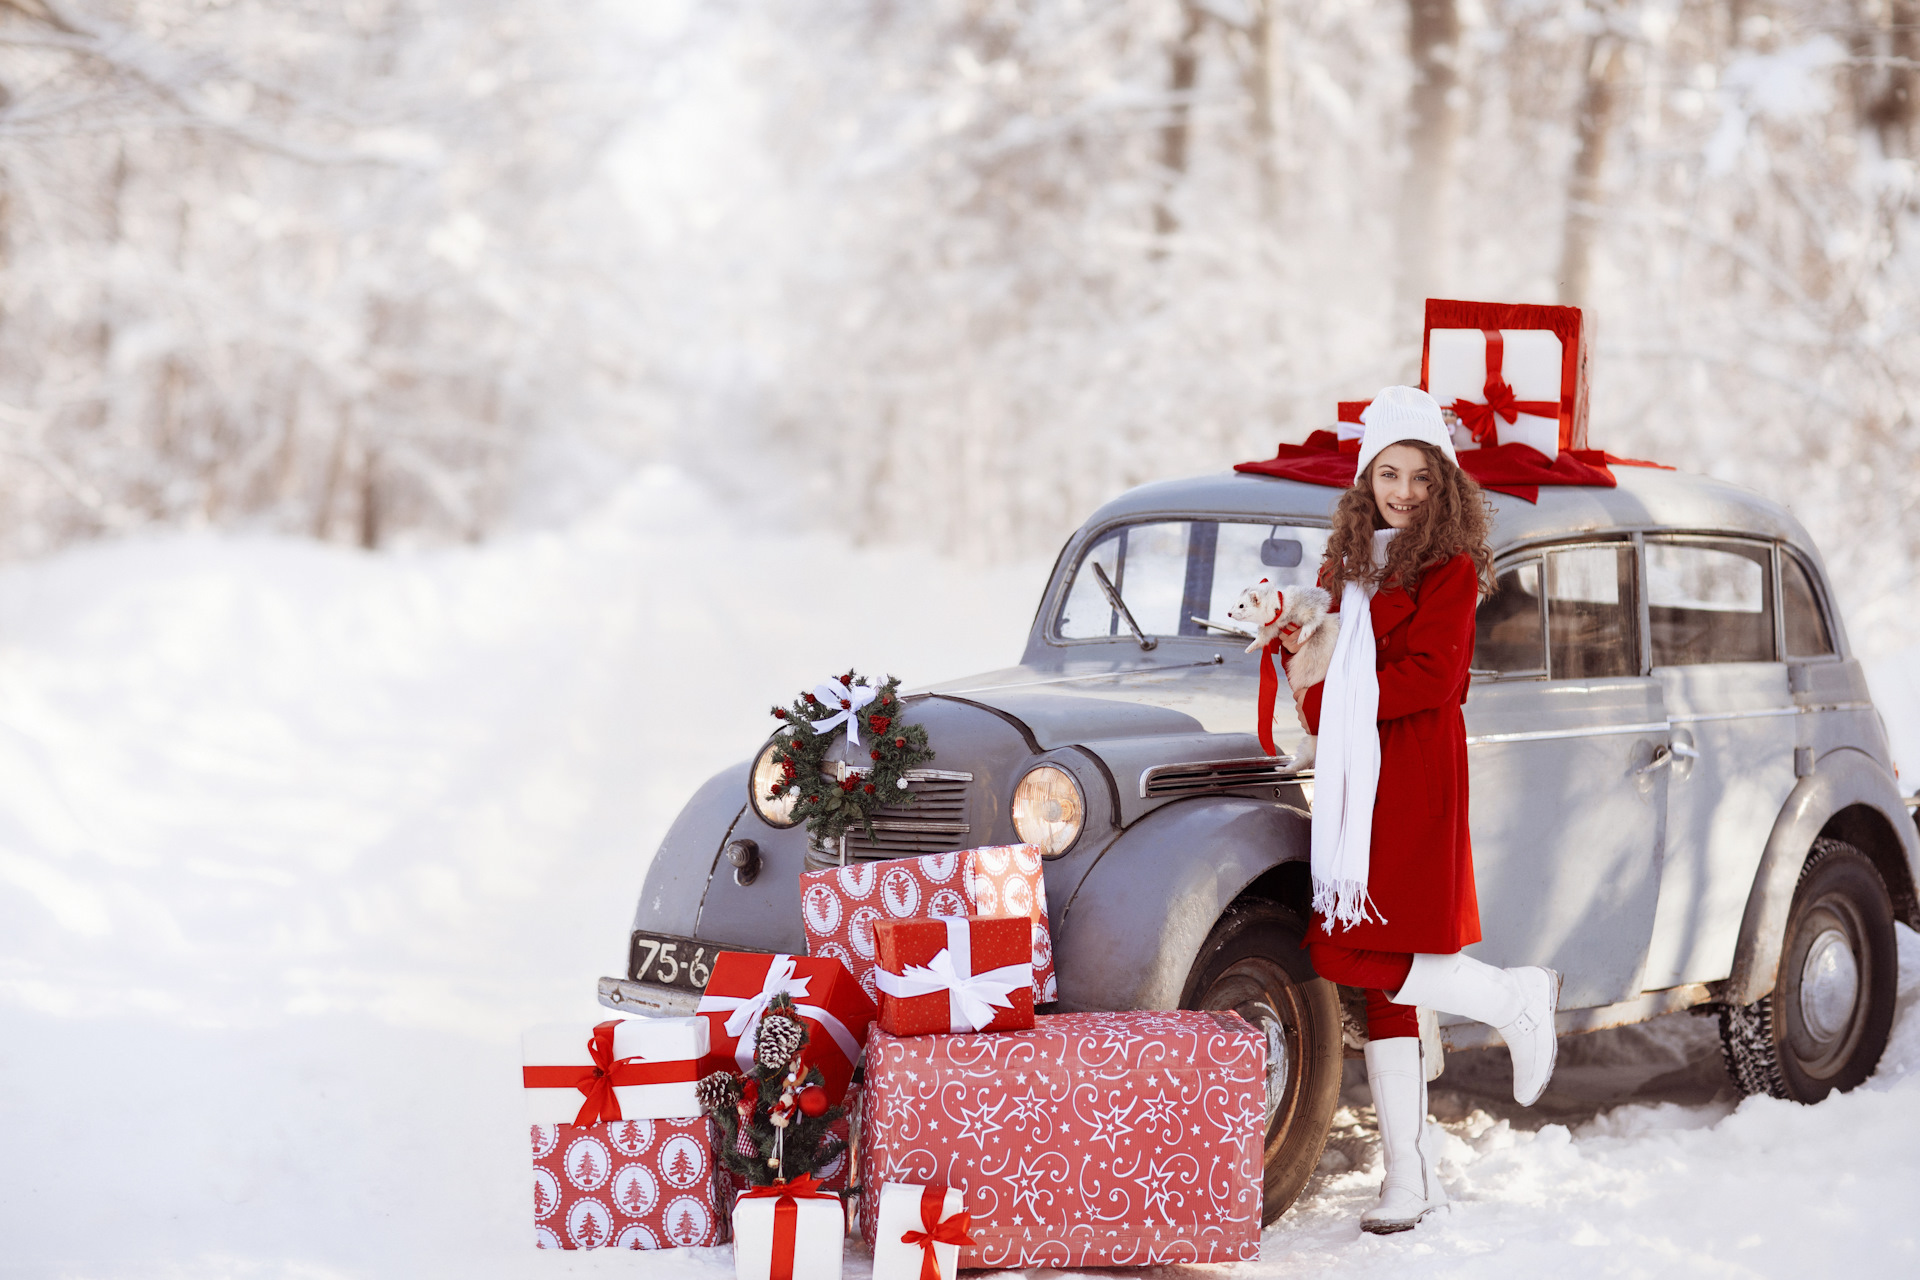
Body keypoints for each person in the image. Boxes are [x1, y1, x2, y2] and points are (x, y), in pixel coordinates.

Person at [1281, 385, 1561, 1235]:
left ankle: (1517, 997)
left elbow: (1435, 678)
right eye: (1388, 473)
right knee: (1376, 973)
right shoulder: (1346, 564)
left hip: (1413, 772)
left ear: (1445, 483)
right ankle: (1412, 1178)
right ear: (1366, 479)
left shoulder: (1452, 565)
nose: (1403, 491)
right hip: (1353, 778)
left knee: (1357, 955)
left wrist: (1329, 701)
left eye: (1421, 476)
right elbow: (1321, 648)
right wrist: (1289, 642)